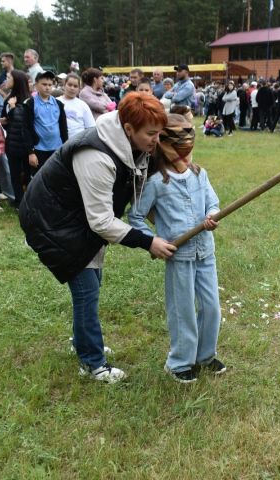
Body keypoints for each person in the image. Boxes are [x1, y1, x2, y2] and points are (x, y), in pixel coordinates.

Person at [19, 93, 175, 383]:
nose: (156, 141)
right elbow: (101, 221)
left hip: (78, 220)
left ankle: (83, 343)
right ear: (128, 129)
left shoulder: (131, 145)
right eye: (151, 134)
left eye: (159, 133)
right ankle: (92, 363)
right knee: (86, 291)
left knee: (91, 287)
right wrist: (147, 241)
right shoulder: (96, 155)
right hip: (53, 222)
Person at [128, 113, 225, 383]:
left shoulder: (199, 174)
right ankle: (180, 362)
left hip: (205, 251)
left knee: (211, 306)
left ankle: (205, 356)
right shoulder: (157, 182)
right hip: (179, 255)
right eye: (180, 151)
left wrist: (213, 214)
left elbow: (213, 203)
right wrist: (153, 241)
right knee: (182, 310)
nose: (185, 158)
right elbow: (136, 216)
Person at [24, 70, 68, 175]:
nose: (47, 87)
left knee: (55, 177)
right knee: (39, 178)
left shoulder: (58, 104)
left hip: (57, 149)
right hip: (39, 150)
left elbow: (63, 128)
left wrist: (65, 148)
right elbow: (26, 129)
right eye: (44, 84)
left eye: (50, 84)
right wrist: (31, 152)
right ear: (36, 85)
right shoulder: (30, 104)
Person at [1, 70, 32, 207]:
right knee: (14, 174)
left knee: (27, 174)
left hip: (25, 144)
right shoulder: (8, 99)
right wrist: (5, 121)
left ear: (16, 81)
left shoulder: (28, 100)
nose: (6, 80)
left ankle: (29, 200)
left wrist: (13, 109)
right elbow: (9, 120)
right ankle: (19, 200)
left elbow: (21, 121)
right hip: (12, 143)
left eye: (8, 77)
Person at [60, 72, 96, 137]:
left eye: (75, 86)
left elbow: (91, 128)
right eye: (69, 85)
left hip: (77, 142)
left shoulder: (83, 105)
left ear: (79, 89)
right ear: (64, 85)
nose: (72, 88)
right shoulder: (56, 102)